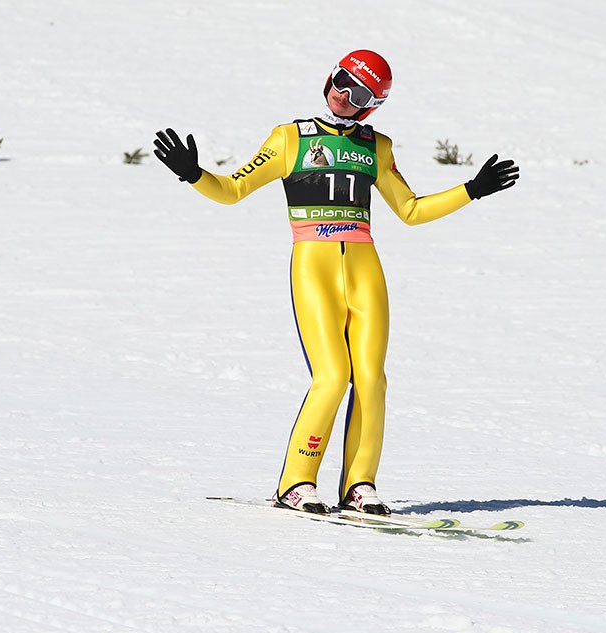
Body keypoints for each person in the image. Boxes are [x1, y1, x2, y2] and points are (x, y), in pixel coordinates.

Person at [154, 49, 519, 515]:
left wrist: (472, 189)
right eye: (342, 81)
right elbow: (233, 190)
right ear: (330, 77)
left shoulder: (376, 147)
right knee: (331, 376)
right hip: (314, 265)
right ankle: (296, 482)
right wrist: (193, 174)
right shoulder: (290, 139)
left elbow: (410, 210)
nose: (344, 95)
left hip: (365, 269)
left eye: (359, 93)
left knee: (371, 379)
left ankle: (360, 484)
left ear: (372, 106)